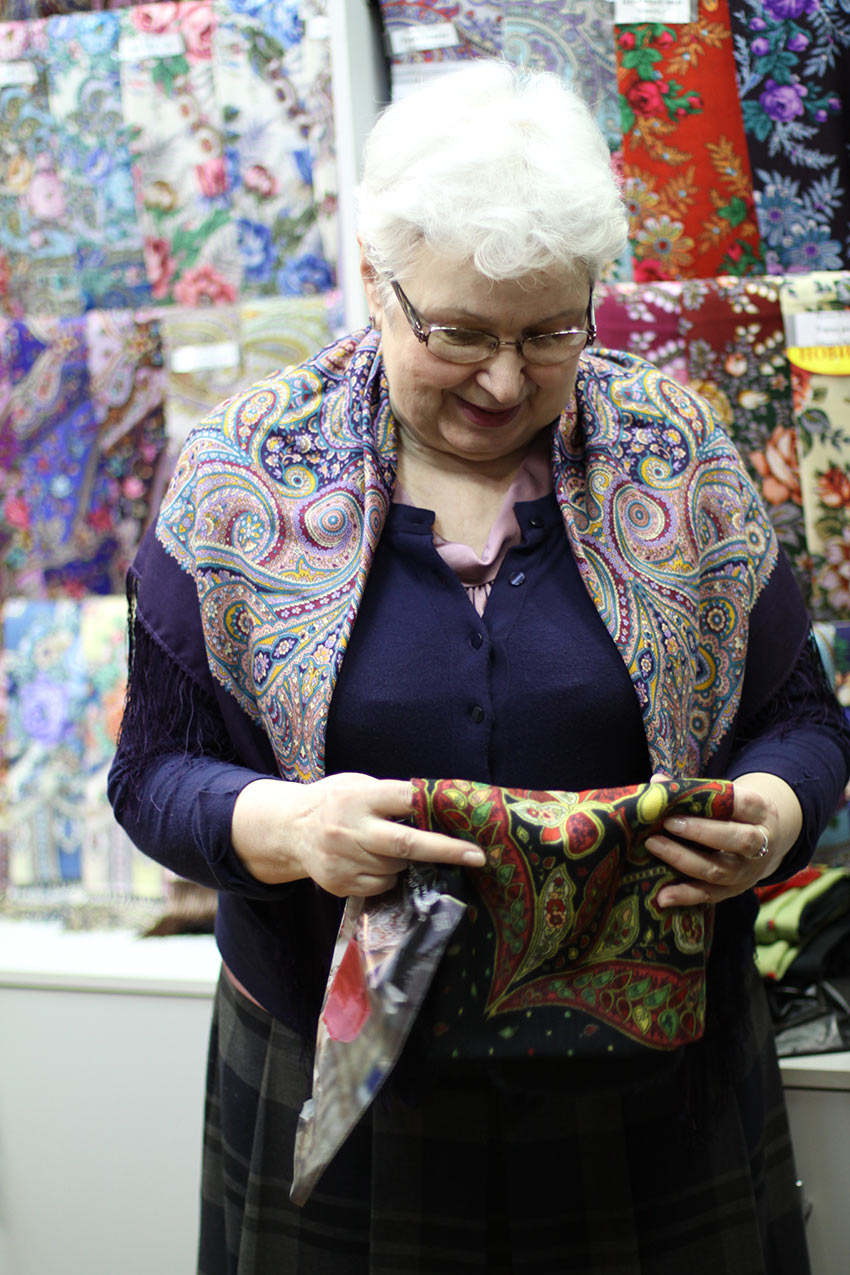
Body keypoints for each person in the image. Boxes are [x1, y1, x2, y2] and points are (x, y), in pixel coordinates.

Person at [108, 59, 850, 1274]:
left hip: (653, 1089)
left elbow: (803, 722)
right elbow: (151, 776)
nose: (505, 380)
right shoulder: (239, 474)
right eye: (458, 333)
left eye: (551, 331)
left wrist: (772, 814)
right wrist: (288, 829)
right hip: (344, 1090)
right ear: (375, 282)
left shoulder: (676, 450)